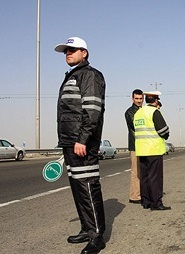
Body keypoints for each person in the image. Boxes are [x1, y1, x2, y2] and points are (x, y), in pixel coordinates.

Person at [54, 37, 106, 254]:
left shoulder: (89, 75)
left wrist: (82, 139)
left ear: (84, 53)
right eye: (66, 50)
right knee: (77, 187)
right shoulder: (73, 76)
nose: (68, 53)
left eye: (72, 50)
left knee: (87, 186)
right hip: (70, 141)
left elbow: (92, 110)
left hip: (81, 142)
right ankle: (86, 228)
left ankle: (97, 236)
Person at [133, 91, 171, 210]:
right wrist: (166, 136)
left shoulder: (138, 113)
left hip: (141, 150)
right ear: (155, 100)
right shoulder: (155, 112)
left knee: (144, 177)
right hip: (153, 149)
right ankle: (156, 203)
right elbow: (163, 131)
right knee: (155, 177)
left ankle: (146, 201)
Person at [124, 89, 144, 204]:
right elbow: (136, 126)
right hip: (135, 145)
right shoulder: (130, 112)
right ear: (132, 99)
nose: (139, 101)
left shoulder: (144, 110)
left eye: (141, 99)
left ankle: (143, 193)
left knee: (144, 171)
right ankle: (134, 196)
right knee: (136, 172)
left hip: (145, 145)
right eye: (136, 98)